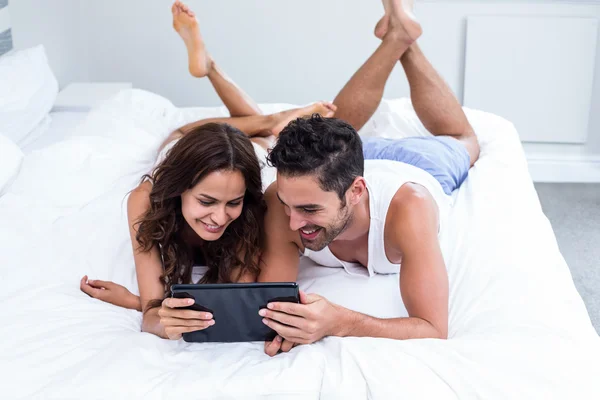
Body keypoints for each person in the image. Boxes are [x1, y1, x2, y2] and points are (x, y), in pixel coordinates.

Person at [80, 1, 335, 341]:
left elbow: (235, 301)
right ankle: (271, 117)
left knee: (260, 142)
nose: (219, 217)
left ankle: (259, 112)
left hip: (249, 161)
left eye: (232, 203)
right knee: (189, 133)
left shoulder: (248, 210)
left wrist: (136, 302)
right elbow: (154, 315)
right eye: (206, 201)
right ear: (180, 189)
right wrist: (150, 310)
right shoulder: (146, 199)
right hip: (183, 147)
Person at [256, 0, 480, 355]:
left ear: (356, 191)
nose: (293, 222)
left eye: (310, 210)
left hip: (421, 166)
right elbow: (270, 301)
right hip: (343, 169)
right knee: (334, 132)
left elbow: (433, 328)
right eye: (288, 205)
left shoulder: (411, 208)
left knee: (464, 139)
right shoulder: (286, 200)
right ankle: (397, 35)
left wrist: (340, 321)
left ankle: (405, 41)